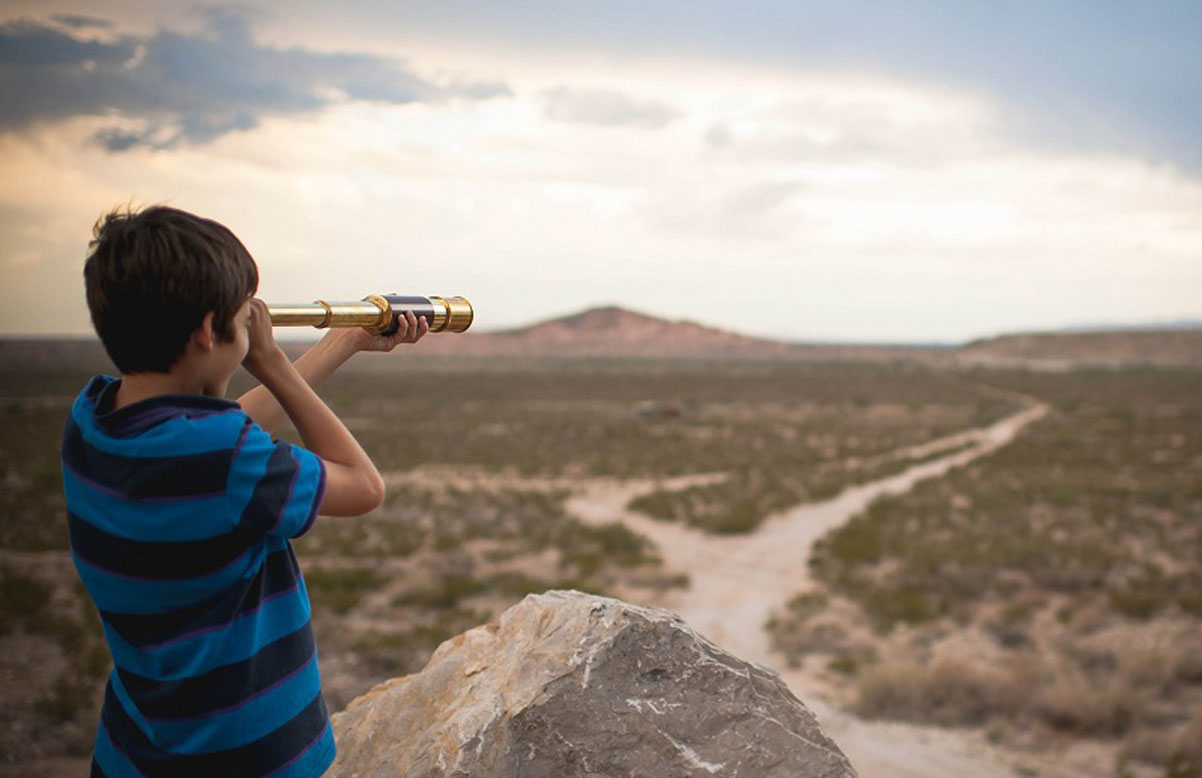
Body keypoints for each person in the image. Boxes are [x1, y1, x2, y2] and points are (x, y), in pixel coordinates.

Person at [61, 205, 427, 777]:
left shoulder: (95, 421)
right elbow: (363, 486)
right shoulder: (219, 456)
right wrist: (272, 362)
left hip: (136, 752)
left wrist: (344, 341)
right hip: (249, 758)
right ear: (210, 330)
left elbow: (222, 429)